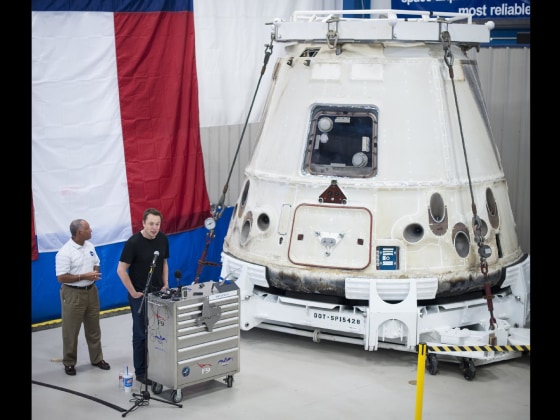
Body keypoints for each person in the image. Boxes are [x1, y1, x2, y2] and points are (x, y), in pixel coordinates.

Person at [117, 208, 169, 385]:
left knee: (159, 332)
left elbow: (163, 262)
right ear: (143, 223)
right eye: (151, 224)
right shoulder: (133, 243)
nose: (154, 228)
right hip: (140, 295)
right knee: (140, 333)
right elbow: (121, 270)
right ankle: (140, 371)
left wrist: (165, 283)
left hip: (158, 294)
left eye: (157, 224)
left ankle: (156, 366)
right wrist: (133, 292)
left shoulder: (162, 239)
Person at [55, 219, 111, 376]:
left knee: (94, 328)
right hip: (73, 294)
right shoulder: (65, 252)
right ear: (79, 232)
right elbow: (61, 277)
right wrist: (84, 276)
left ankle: (97, 358)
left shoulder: (90, 246)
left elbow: (97, 262)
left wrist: (94, 272)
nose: (91, 230)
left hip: (91, 292)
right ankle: (69, 362)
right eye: (88, 229)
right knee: (71, 330)